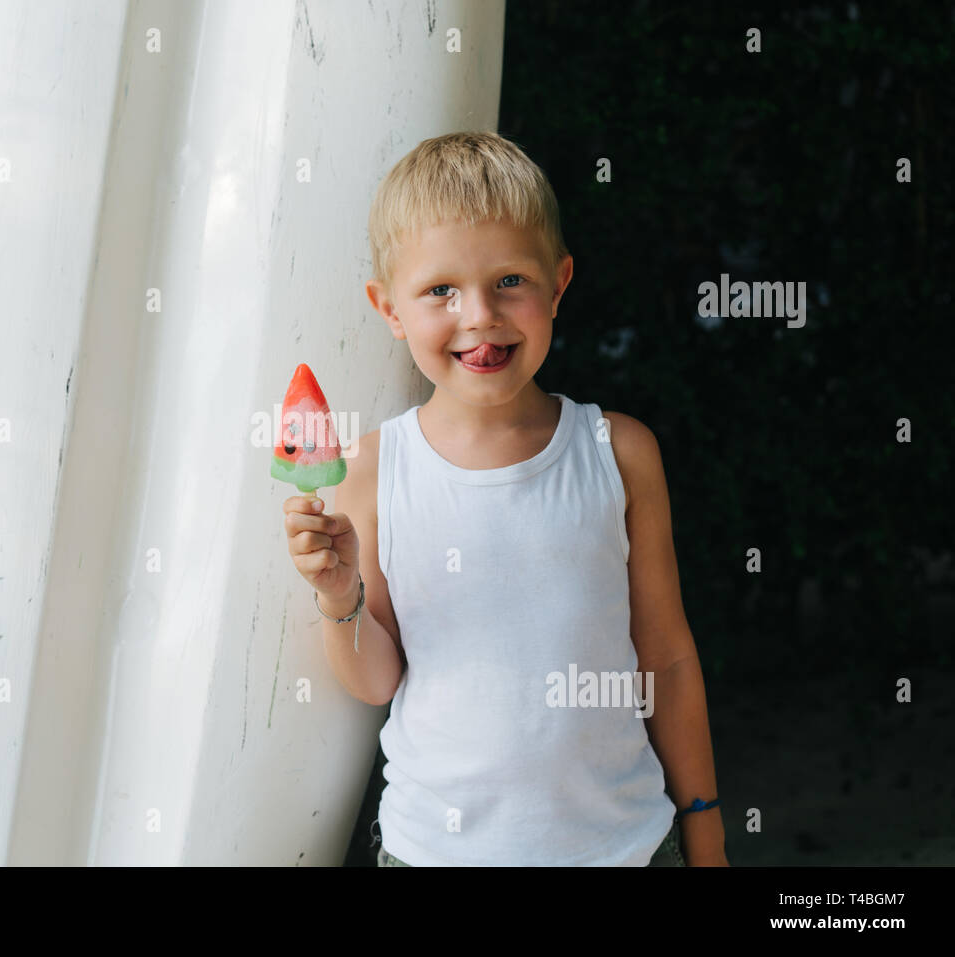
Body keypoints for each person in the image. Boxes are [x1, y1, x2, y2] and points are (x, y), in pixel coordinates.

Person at [281, 131, 727, 867]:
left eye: (510, 281)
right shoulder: (371, 469)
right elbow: (376, 680)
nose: (480, 314)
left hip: (625, 847)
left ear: (559, 282)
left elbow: (669, 658)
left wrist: (705, 828)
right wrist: (339, 594)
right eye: (440, 291)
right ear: (388, 307)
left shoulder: (619, 454)